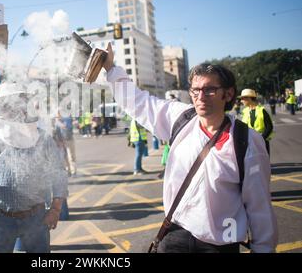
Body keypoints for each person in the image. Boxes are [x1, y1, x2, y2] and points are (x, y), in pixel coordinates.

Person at [102, 43, 277, 253]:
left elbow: (259, 207)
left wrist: (263, 249)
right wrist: (111, 68)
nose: (201, 97)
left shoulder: (247, 141)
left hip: (218, 245)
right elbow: (139, 102)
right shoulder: (181, 118)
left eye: (210, 90)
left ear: (228, 94)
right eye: (195, 90)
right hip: (174, 236)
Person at [0, 83, 68, 253]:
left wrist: (56, 209)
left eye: (20, 102)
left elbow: (59, 174)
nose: (16, 109)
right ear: (1, 107)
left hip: (36, 217)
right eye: (9, 104)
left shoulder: (43, 138)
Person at [240, 89, 274, 156]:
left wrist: (260, 139)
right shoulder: (245, 111)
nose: (241, 101)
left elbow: (269, 127)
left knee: (263, 163)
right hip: (249, 142)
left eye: (243, 99)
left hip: (262, 141)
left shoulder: (262, 110)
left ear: (249, 98)